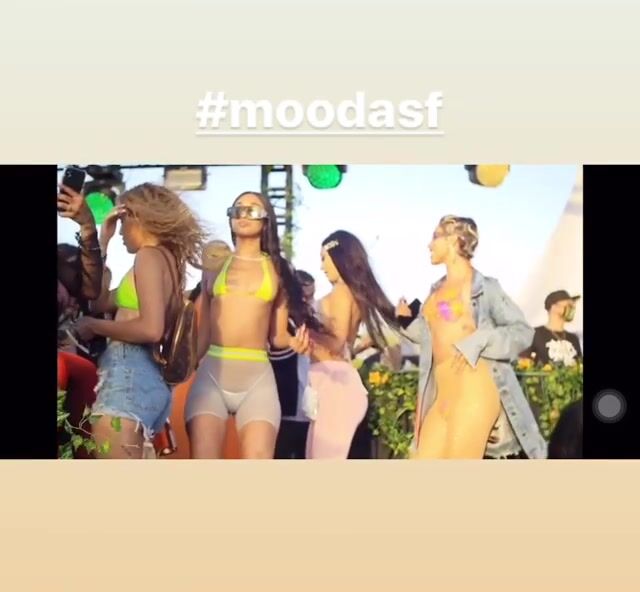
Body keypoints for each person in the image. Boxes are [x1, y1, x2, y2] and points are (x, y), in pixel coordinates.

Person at [72, 183, 207, 459]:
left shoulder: (148, 256)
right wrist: (103, 241)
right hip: (144, 380)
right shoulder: (166, 261)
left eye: (122, 222)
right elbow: (98, 302)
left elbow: (151, 328)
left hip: (128, 376)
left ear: (139, 217)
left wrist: (93, 326)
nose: (121, 231)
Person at [185, 192, 321, 459]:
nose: (244, 215)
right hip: (213, 373)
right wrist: (182, 366)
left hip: (257, 378)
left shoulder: (277, 269)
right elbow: (204, 333)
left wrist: (294, 342)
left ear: (266, 219)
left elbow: (277, 336)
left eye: (253, 210)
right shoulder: (217, 263)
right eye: (238, 209)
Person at [400, 215, 546, 459]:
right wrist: (405, 321)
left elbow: (522, 331)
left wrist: (479, 341)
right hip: (441, 396)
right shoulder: (435, 293)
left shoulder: (484, 288)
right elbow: (431, 338)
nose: (429, 244)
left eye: (435, 237)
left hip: (473, 389)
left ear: (454, 240)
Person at [290, 230, 400, 459]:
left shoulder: (341, 292)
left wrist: (302, 332)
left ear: (338, 256)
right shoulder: (346, 293)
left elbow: (338, 340)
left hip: (336, 387)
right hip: (330, 384)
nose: (321, 267)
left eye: (324, 258)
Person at [272, 270, 316, 459]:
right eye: (304, 297)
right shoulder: (278, 326)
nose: (308, 302)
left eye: (312, 296)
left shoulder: (314, 322)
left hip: (309, 412)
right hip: (284, 411)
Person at [521, 290, 582, 367]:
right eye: (569, 305)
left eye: (573, 306)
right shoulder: (534, 334)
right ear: (554, 307)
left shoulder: (573, 339)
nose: (573, 308)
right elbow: (522, 366)